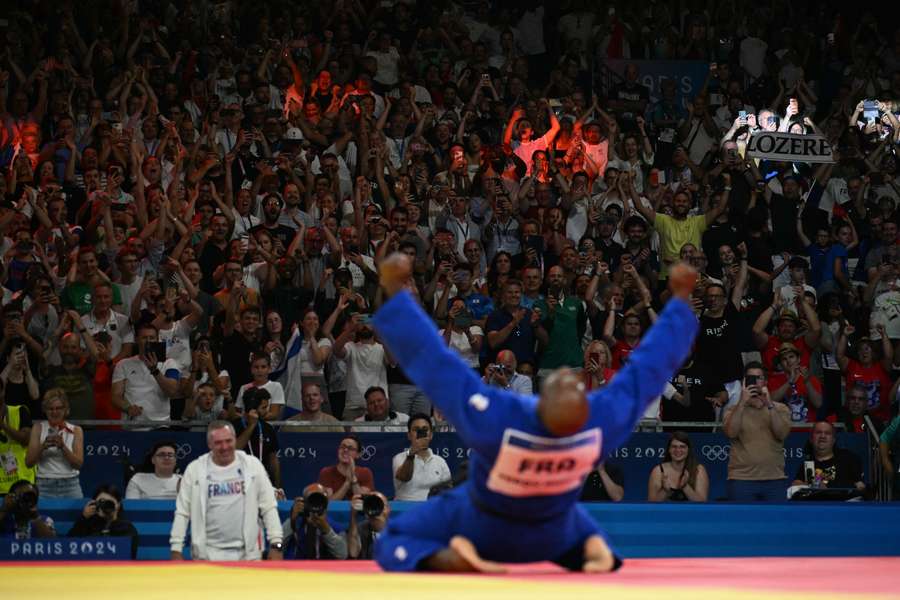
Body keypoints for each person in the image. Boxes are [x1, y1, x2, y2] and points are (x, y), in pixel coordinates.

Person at [372, 254, 699, 572]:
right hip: (553, 530)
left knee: (396, 538)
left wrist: (397, 298)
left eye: (567, 381)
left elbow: (437, 366)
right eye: (566, 379)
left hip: (485, 524)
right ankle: (593, 550)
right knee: (585, 530)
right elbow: (649, 370)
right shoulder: (599, 421)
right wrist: (680, 306)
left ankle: (448, 554)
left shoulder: (501, 417)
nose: (566, 379)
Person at [169, 421, 284, 561]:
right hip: (206, 556)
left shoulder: (252, 466)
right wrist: (176, 548)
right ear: (209, 445)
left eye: (228, 441)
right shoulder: (195, 470)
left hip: (249, 555)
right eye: (218, 443)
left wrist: (276, 544)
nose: (224, 447)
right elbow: (182, 512)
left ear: (235, 440)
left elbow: (269, 507)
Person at [723, 363, 792, 501]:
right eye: (750, 378)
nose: (755, 382)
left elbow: (781, 434)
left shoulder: (780, 408)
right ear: (744, 382)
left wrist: (769, 404)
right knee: (742, 522)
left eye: (758, 378)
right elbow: (731, 433)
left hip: (774, 479)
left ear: (765, 381)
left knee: (775, 522)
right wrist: (742, 402)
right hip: (741, 479)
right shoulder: (733, 410)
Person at [111, 322, 181, 426]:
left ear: (157, 340)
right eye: (144, 338)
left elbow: (172, 391)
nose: (148, 341)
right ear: (137, 340)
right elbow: (115, 396)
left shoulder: (170, 363)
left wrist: (155, 371)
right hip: (133, 427)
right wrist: (128, 408)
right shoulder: (123, 364)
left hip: (160, 425)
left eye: (151, 338)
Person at [25, 389, 84, 498]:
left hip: (70, 485)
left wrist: (63, 447)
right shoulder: (38, 428)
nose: (54, 412)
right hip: (43, 485)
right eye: (50, 409)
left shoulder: (76, 430)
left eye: (58, 408)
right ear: (45, 410)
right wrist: (42, 447)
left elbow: (78, 464)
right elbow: (29, 463)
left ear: (65, 409)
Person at [392, 413, 452, 502]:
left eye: (425, 429)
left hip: (432, 509)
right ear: (409, 435)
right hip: (406, 510)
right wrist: (411, 454)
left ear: (431, 435)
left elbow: (449, 490)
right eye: (416, 430)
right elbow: (404, 477)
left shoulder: (440, 462)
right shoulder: (399, 458)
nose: (421, 433)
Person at [68, 485, 139, 559]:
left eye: (109, 503)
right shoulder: (87, 524)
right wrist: (84, 517)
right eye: (101, 502)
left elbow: (129, 555)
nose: (105, 506)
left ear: (118, 505)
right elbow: (70, 547)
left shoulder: (127, 528)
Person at [791, 422, 865, 492]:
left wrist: (828, 490)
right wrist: (814, 486)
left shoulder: (849, 458)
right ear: (811, 439)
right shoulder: (808, 464)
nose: (822, 436)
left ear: (833, 440)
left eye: (827, 433)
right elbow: (796, 484)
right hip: (818, 503)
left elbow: (861, 487)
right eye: (818, 432)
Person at [231, 388, 281, 489]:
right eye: (264, 407)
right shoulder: (233, 427)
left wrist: (278, 487)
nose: (267, 411)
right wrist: (251, 426)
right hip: (238, 484)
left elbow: (273, 461)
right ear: (252, 409)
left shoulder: (268, 428)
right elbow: (234, 450)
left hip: (264, 483)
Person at [283, 483, 348, 560]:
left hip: (324, 570)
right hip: (296, 570)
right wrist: (292, 521)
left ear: (326, 504)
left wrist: (326, 530)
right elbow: (276, 547)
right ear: (304, 503)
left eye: (319, 500)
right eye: (312, 500)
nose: (315, 505)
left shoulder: (336, 527)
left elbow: (342, 555)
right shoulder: (295, 523)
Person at [647, 432, 709, 502]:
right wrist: (665, 491)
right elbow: (651, 504)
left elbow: (702, 503)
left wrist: (685, 487)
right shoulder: (658, 471)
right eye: (674, 447)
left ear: (688, 450)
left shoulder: (699, 470)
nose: (678, 450)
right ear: (669, 449)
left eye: (682, 447)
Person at [0, 381, 35, 495]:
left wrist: (3, 425)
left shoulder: (19, 411)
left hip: (22, 484)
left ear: (2, 391)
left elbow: (26, 439)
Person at [317, 434, 375, 501]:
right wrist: (347, 482)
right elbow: (329, 504)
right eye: (342, 447)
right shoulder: (326, 472)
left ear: (358, 454)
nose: (345, 450)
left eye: (350, 448)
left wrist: (353, 478)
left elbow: (363, 503)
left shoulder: (365, 472)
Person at [346, 491, 391, 559]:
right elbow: (353, 553)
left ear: (388, 509)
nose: (376, 507)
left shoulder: (399, 531)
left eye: (380, 504)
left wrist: (382, 526)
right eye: (372, 504)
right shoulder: (360, 528)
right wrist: (353, 516)